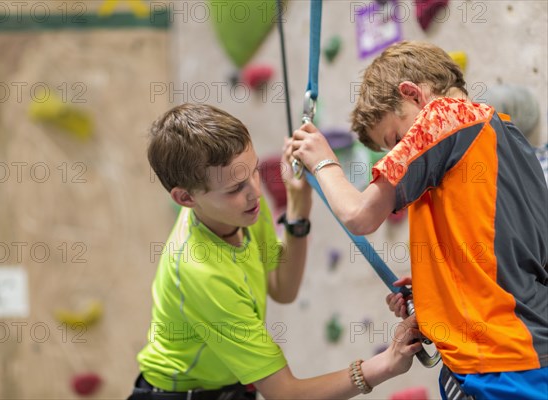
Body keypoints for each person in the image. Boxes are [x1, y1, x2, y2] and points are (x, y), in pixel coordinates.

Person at [290, 41, 548, 400]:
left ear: (413, 95)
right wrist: (437, 287)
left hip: (498, 360)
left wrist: (322, 161)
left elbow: (359, 215)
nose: (400, 150)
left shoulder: (441, 117)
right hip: (528, 347)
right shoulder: (506, 134)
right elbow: (516, 248)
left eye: (396, 139)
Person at [128, 103, 422, 400]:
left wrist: (298, 207)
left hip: (229, 388)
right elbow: (285, 394)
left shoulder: (239, 208)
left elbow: (282, 288)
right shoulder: (201, 272)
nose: (255, 191)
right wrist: (385, 364)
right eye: (234, 188)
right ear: (185, 197)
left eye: (254, 171)